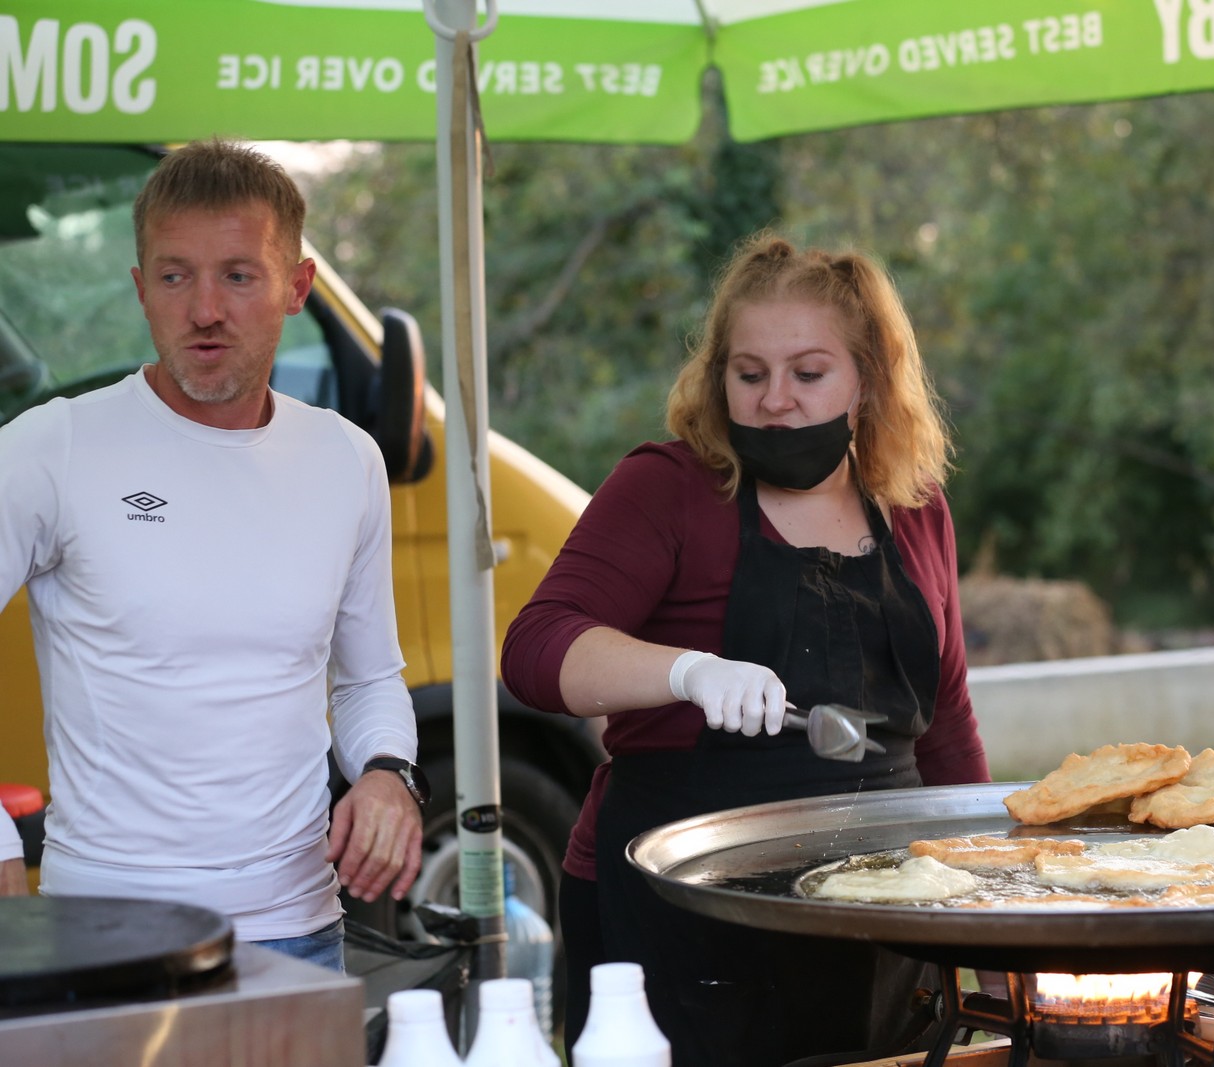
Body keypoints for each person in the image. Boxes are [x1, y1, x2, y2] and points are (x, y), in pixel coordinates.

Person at [501, 233, 991, 1065]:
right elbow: (537, 649)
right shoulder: (669, 487)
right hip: (680, 909)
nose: (774, 400)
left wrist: (986, 897)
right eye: (749, 373)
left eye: (808, 373)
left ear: (865, 381)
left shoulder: (915, 509)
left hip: (884, 906)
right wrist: (685, 672)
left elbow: (944, 724)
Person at [0, 139, 426, 972]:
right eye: (173, 275)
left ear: (296, 287)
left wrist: (387, 773)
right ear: (139, 289)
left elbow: (370, 675)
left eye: (237, 275)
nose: (203, 309)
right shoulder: (52, 447)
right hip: (106, 934)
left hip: (303, 929)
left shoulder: (347, 458)